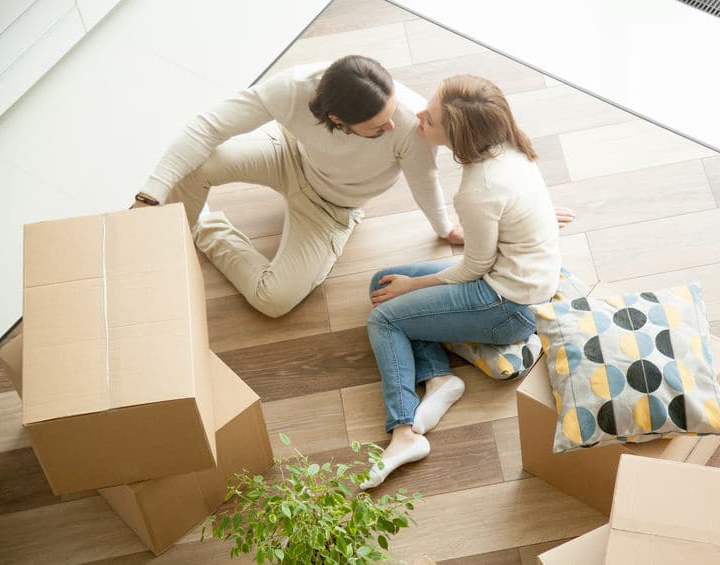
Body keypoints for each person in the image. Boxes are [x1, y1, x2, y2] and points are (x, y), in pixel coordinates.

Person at [361, 75, 574, 489]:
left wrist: (414, 287)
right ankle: (440, 379)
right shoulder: (509, 143)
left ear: (457, 135)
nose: (420, 115)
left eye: (432, 118)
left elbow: (473, 267)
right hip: (519, 276)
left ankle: (403, 433)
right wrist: (539, 220)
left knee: (384, 318)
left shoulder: (478, 191)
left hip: (507, 306)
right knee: (382, 282)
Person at [132, 55, 462, 318]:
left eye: (391, 115)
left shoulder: (409, 124)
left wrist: (444, 228)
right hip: (286, 153)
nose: (391, 125)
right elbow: (208, 127)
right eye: (377, 127)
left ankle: (205, 228)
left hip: (331, 206)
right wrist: (150, 196)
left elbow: (425, 181)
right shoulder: (294, 87)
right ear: (336, 119)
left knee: (275, 300)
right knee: (197, 165)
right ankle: (172, 240)